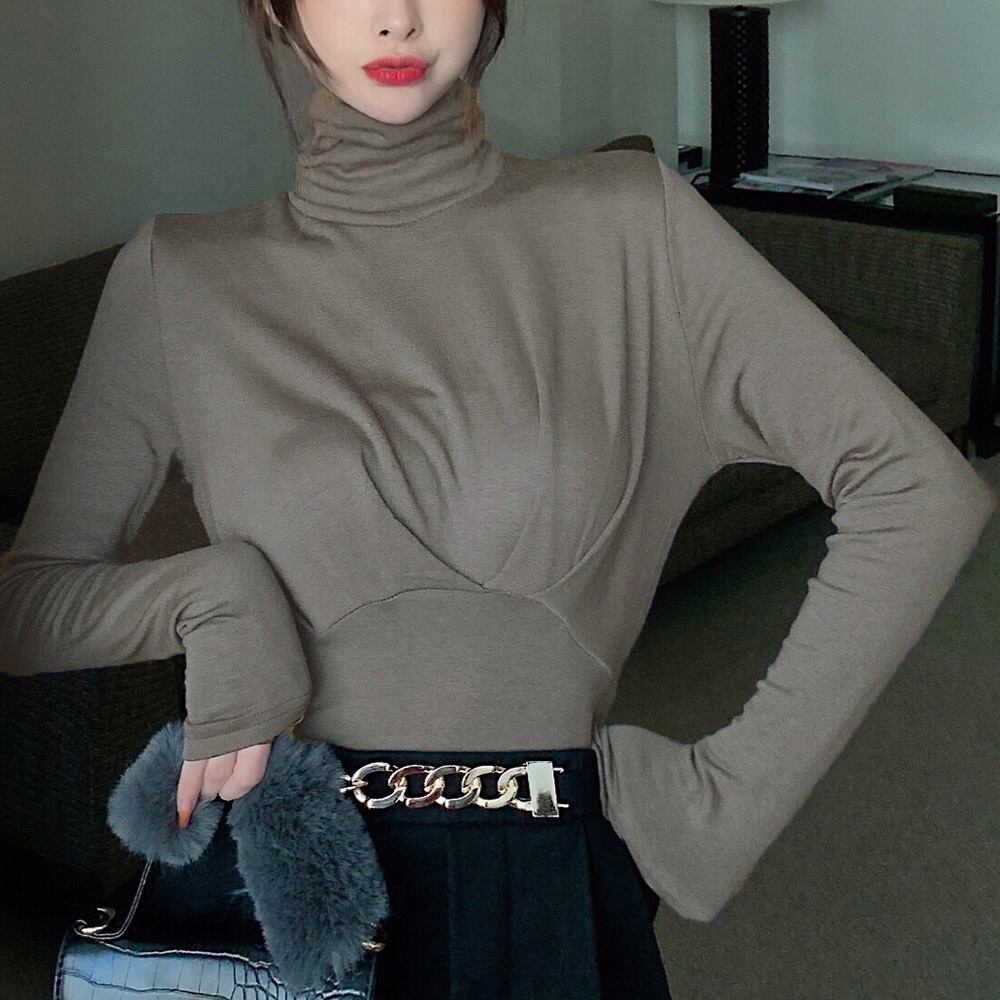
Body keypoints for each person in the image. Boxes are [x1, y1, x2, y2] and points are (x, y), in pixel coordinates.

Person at [0, 1, 995, 997]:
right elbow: (26, 601)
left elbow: (915, 486)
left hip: (546, 897)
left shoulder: (629, 223)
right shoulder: (181, 275)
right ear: (277, 11)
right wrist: (214, 601)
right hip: (282, 898)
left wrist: (726, 801)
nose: (395, 17)